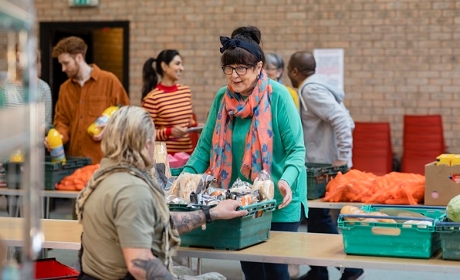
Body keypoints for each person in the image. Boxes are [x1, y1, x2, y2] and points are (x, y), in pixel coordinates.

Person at [182, 26, 308, 280]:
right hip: (241, 199)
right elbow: (204, 148)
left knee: (274, 269)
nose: (235, 75)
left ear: (259, 67)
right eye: (229, 68)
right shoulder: (222, 99)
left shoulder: (279, 97)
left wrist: (286, 180)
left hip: (279, 197)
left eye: (242, 68)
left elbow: (297, 150)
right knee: (249, 267)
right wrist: (184, 177)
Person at [75, 105, 248, 279]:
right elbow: (139, 264)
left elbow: (158, 221)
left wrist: (212, 213)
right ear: (146, 144)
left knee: (191, 272)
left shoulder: (103, 176)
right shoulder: (132, 190)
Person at [287, 51, 364, 280]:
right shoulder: (319, 86)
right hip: (321, 163)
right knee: (316, 216)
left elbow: (341, 120)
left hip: (326, 165)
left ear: (293, 71)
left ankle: (350, 268)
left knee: (320, 218)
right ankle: (318, 270)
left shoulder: (310, 90)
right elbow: (346, 118)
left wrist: (342, 157)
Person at [49, 36, 130, 164]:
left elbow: (128, 115)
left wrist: (111, 126)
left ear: (79, 58)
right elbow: (61, 121)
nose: (63, 69)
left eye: (66, 63)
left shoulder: (109, 81)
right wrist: (58, 138)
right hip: (74, 162)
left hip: (104, 162)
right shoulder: (64, 89)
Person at [141, 51, 197, 155]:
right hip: (164, 157)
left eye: (182, 64)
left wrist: (197, 127)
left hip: (188, 155)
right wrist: (169, 132)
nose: (182, 68)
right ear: (164, 66)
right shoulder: (153, 98)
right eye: (177, 64)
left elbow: (188, 122)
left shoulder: (186, 91)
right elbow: (144, 133)